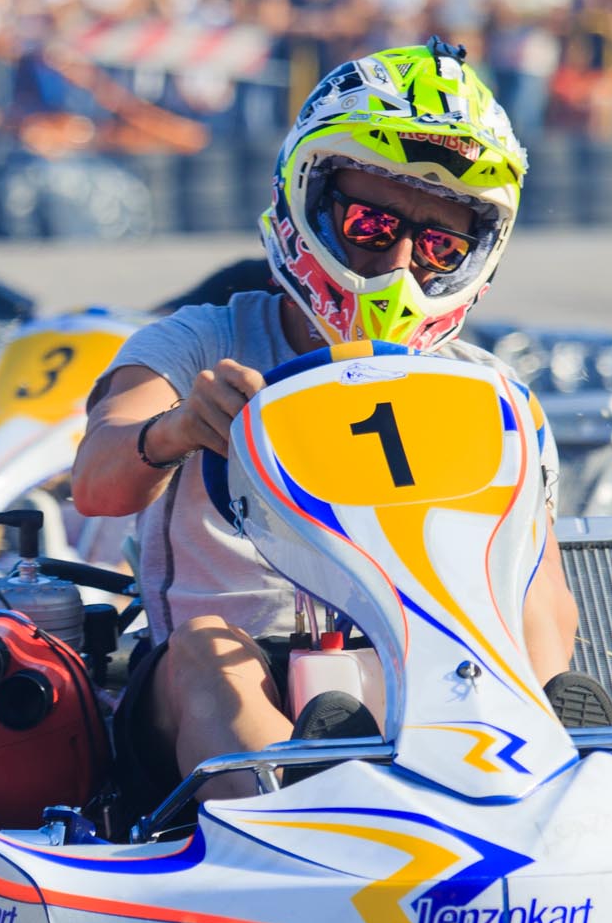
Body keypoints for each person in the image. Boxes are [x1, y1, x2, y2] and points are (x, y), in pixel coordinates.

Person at [70, 42, 580, 805]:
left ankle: (562, 786)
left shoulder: (489, 390)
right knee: (212, 653)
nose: (401, 262)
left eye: (440, 243)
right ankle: (289, 824)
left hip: (426, 676)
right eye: (373, 224)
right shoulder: (204, 342)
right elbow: (95, 485)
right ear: (310, 204)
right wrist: (175, 431)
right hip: (211, 682)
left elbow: (541, 597)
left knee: (533, 622)